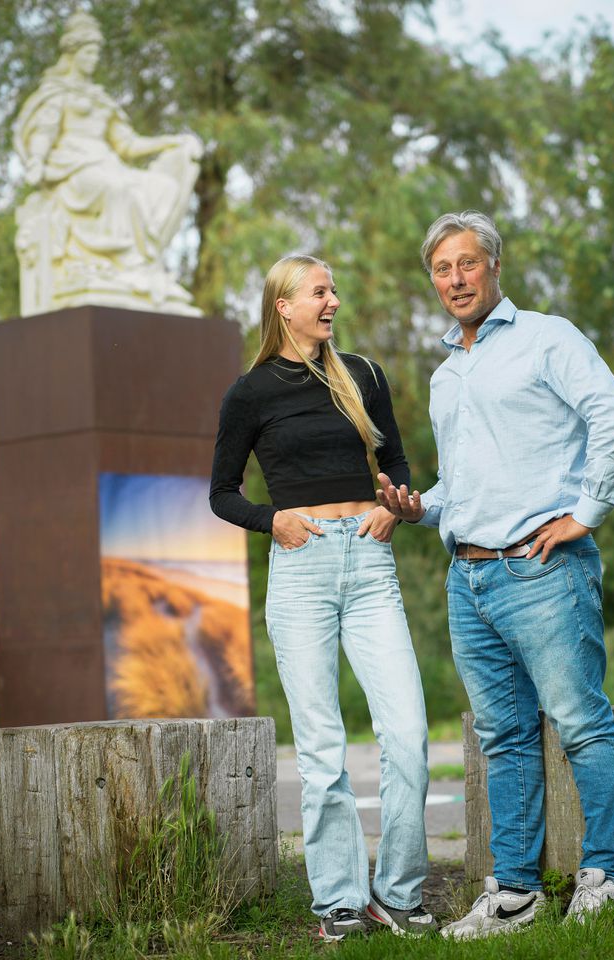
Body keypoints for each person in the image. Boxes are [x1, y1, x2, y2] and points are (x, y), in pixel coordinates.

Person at [377, 211, 614, 938]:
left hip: (542, 568)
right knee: (505, 738)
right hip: (469, 580)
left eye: (467, 264)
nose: (454, 279)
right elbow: (465, 483)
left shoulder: (547, 338)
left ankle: (607, 876)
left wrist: (586, 512)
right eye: (441, 269)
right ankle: (516, 896)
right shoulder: (446, 373)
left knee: (581, 724)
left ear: (493, 266)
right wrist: (415, 506)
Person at [209, 255, 433, 941]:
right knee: (322, 749)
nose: (333, 300)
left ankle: (396, 895)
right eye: (320, 291)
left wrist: (397, 506)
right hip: (301, 567)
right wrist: (271, 519)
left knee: (410, 737)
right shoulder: (251, 392)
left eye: (334, 289)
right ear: (283, 305)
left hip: (367, 563)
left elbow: (392, 462)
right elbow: (221, 493)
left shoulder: (362, 374)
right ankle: (340, 900)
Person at [12, 10, 201, 314]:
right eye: (88, 52)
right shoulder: (57, 93)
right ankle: (129, 267)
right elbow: (44, 132)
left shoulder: (101, 98)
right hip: (73, 168)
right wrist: (36, 161)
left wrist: (173, 142)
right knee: (118, 189)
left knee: (160, 186)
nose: (93, 59)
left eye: (96, 52)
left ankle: (142, 271)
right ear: (72, 53)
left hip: (107, 162)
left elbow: (127, 144)